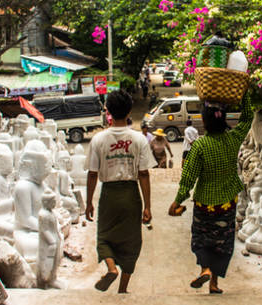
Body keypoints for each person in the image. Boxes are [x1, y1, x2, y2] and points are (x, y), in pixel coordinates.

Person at [168, 93, 253, 294]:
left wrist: (178, 200)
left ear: (204, 123)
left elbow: (188, 177)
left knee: (202, 239)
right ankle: (214, 283)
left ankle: (205, 269)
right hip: (227, 203)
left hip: (204, 204)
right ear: (223, 121)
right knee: (222, 242)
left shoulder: (200, 146)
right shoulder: (233, 139)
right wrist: (244, 95)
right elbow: (248, 119)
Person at [86, 90, 156, 293]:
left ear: (108, 111)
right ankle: (123, 288)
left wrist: (89, 202)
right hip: (131, 195)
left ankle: (110, 267)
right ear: (129, 111)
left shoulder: (98, 140)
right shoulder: (139, 139)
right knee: (131, 241)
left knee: (104, 237)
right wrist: (147, 206)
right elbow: (144, 174)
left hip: (109, 195)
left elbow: (92, 174)